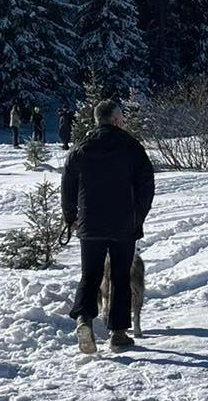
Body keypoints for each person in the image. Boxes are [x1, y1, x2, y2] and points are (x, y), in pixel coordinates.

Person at [62, 97, 155, 354]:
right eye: (121, 118)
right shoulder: (132, 147)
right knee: (120, 276)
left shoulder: (81, 147)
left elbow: (68, 183)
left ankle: (84, 319)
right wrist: (139, 216)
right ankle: (118, 333)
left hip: (89, 223)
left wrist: (70, 216)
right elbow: (147, 184)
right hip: (123, 224)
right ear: (115, 120)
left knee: (90, 275)